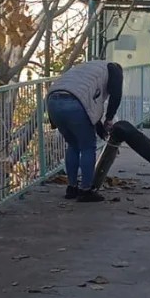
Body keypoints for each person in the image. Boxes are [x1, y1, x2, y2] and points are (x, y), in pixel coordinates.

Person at [47, 59, 122, 202]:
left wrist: (100, 127)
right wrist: (109, 119)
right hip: (75, 103)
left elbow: (90, 106)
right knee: (88, 147)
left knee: (73, 145)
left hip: (53, 101)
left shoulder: (88, 69)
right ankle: (86, 190)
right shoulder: (114, 70)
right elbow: (116, 96)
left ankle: (72, 188)